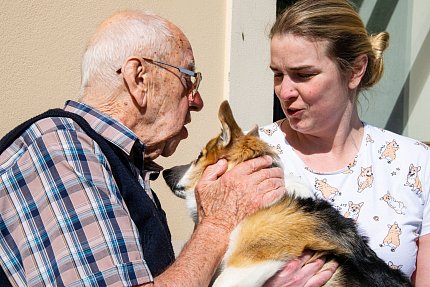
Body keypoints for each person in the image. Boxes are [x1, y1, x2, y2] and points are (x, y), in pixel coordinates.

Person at [0, 10, 292, 287]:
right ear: (138, 78)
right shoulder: (62, 148)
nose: (198, 100)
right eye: (189, 78)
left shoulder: (112, 163)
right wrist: (217, 225)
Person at [258, 0, 430, 286]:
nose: (284, 91)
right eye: (278, 74)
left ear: (355, 70)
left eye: (304, 75)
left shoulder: (415, 163)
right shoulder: (255, 156)